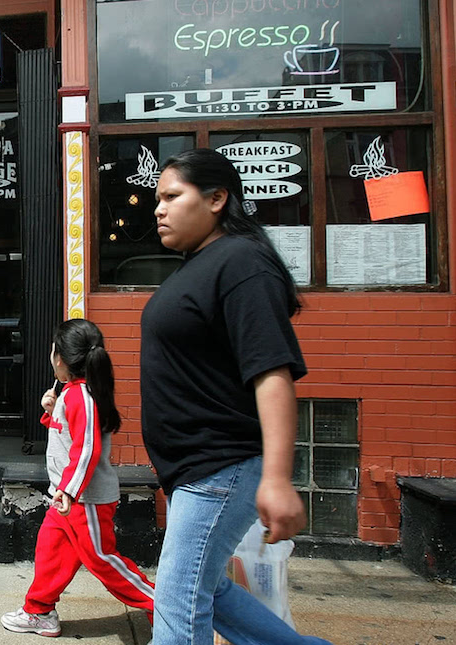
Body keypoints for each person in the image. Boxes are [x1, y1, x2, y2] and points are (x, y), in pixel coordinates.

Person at [141, 148, 330, 644]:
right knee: (207, 589)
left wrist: (277, 479)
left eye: (171, 196)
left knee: (179, 597)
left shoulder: (242, 262)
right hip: (197, 470)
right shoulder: (202, 264)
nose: (157, 209)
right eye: (157, 199)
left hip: (221, 467)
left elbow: (272, 374)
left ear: (218, 198)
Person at [1, 319, 155, 637]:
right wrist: (51, 410)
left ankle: (163, 604)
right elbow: (70, 436)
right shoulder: (73, 395)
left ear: (61, 358)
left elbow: (86, 450)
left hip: (85, 501)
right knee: (50, 552)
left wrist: (69, 491)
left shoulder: (81, 397)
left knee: (102, 560)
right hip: (68, 498)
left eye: (53, 351)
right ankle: (39, 611)